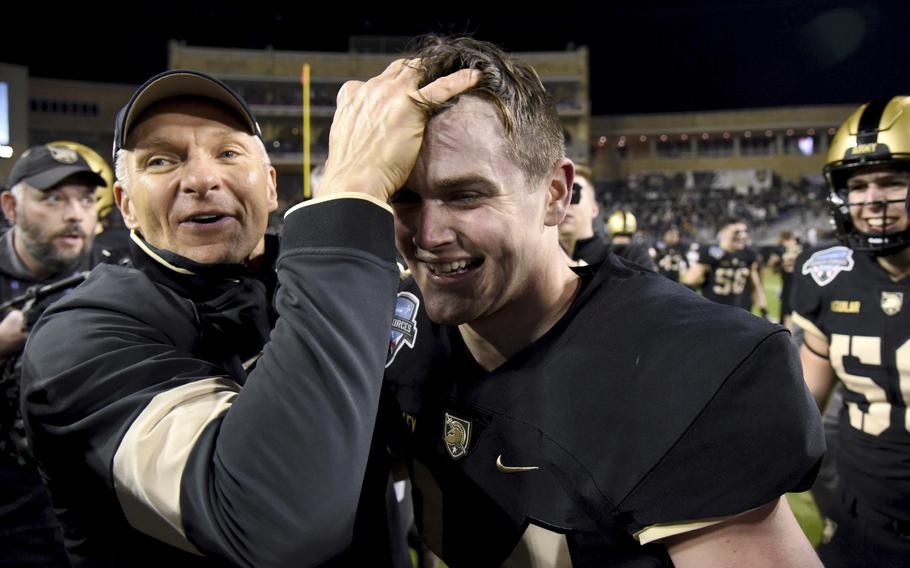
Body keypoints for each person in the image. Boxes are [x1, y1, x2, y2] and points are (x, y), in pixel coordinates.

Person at [380, 35, 823, 567]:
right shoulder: (389, 324)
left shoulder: (684, 363)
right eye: (404, 197)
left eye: (465, 194)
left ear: (555, 195)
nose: (427, 234)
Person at [19, 65, 478, 566]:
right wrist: (351, 187)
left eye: (228, 153)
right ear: (126, 206)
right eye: (161, 161)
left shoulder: (352, 279)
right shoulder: (78, 337)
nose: (201, 178)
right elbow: (270, 522)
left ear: (271, 186)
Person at [791, 95, 910, 568]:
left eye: (891, 181)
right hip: (863, 520)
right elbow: (802, 407)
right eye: (857, 185)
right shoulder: (826, 274)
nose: (872, 200)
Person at [0, 143, 105, 567]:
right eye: (53, 199)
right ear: (11, 206)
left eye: (85, 199)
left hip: (92, 489)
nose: (75, 214)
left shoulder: (115, 272)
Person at [557, 168, 654, 269]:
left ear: (594, 209)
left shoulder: (629, 257)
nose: (563, 205)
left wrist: (575, 268)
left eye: (573, 195)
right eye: (558, 196)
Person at [683, 219, 767, 314]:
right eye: (737, 232)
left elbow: (755, 285)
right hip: (714, 313)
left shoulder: (749, 254)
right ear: (723, 232)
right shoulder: (710, 253)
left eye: (745, 231)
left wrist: (763, 309)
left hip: (742, 313)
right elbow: (689, 282)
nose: (743, 235)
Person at [766, 229, 802, 329]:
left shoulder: (780, 249)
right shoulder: (801, 247)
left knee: (787, 314)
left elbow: (772, 263)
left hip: (788, 285)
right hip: (803, 284)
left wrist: (779, 267)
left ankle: (788, 340)